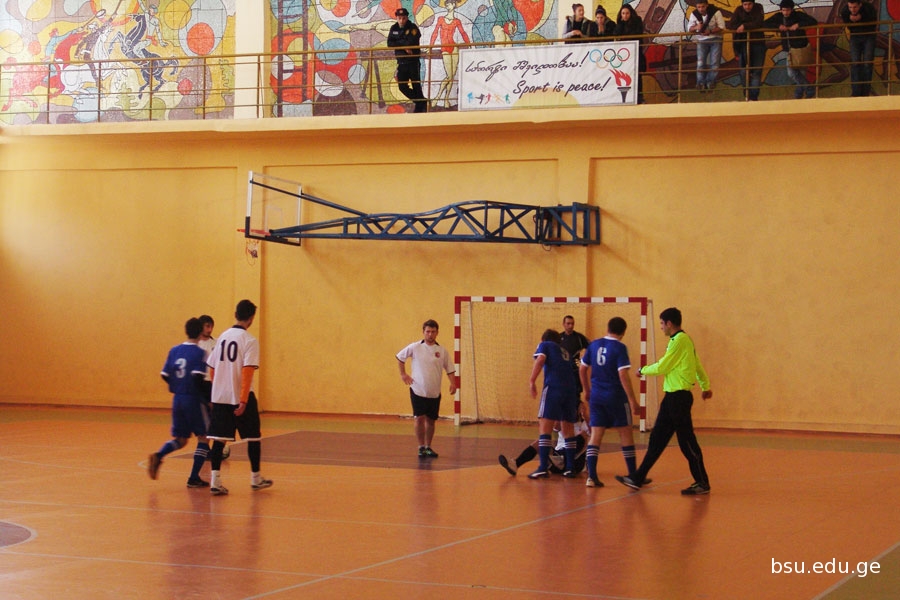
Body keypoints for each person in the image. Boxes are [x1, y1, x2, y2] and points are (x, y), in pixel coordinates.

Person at [615, 308, 713, 496]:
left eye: (661, 323)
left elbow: (663, 366)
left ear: (669, 323)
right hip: (671, 398)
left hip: (679, 398)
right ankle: (637, 477)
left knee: (687, 441)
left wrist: (642, 370)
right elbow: (697, 365)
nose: (661, 327)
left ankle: (702, 482)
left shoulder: (680, 340)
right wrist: (705, 386)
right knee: (657, 438)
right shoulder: (681, 341)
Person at [206, 299, 273, 496]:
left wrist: (217, 389)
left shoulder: (222, 337)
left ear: (236, 314)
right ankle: (255, 478)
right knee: (253, 437)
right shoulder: (249, 341)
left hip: (220, 396)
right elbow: (247, 371)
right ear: (251, 318)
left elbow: (212, 368)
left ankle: (215, 481)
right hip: (240, 396)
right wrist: (243, 400)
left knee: (219, 439)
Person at [148, 318, 211, 488]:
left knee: (181, 439)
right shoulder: (200, 353)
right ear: (201, 332)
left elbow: (165, 375)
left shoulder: (174, 350)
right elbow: (197, 378)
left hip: (178, 398)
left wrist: (177, 386)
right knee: (204, 437)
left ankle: (159, 455)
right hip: (193, 398)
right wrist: (207, 400)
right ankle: (194, 477)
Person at [579, 317, 641, 488]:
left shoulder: (594, 345)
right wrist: (633, 401)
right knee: (625, 434)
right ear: (623, 332)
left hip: (597, 397)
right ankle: (633, 476)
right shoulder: (620, 348)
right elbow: (623, 375)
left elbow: (582, 369)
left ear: (608, 328)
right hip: (616, 397)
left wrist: (587, 390)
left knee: (595, 435)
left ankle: (591, 477)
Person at [397, 319, 458, 457]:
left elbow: (449, 368)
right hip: (417, 390)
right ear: (423, 332)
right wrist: (403, 374)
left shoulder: (442, 351)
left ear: (437, 333)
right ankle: (420, 447)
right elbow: (400, 358)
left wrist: (453, 383)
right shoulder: (415, 347)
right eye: (428, 331)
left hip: (434, 392)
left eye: (433, 332)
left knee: (431, 420)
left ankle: (428, 446)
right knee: (419, 418)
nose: (430, 334)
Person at [527, 329, 580, 479]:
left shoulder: (545, 345)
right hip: (570, 391)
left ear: (544, 339)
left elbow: (540, 359)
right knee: (568, 430)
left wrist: (532, 381)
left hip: (553, 388)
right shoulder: (566, 352)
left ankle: (543, 467)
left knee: (545, 428)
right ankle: (570, 468)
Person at [764, 0, 818, 99]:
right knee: (793, 73)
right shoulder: (779, 17)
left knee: (799, 73)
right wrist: (778, 26)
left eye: (787, 10)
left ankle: (800, 95)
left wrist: (798, 25)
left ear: (792, 9)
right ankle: (808, 89)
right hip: (789, 48)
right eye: (783, 10)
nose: (785, 13)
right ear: (781, 10)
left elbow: (813, 21)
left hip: (800, 47)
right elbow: (765, 23)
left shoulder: (798, 15)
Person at [498, 418, 590, 475]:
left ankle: (562, 462)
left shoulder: (584, 425)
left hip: (574, 461)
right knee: (540, 443)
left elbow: (584, 447)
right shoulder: (564, 420)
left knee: (582, 436)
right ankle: (516, 464)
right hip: (558, 454)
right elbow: (556, 427)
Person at [198, 314, 230, 461]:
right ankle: (205, 448)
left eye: (211, 326)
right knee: (204, 420)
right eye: (207, 326)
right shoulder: (196, 345)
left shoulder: (217, 343)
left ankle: (219, 448)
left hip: (214, 384)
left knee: (217, 418)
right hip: (201, 385)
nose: (210, 329)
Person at [429, 0, 471, 109]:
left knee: (451, 76)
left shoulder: (457, 21)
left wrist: (469, 44)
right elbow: (435, 33)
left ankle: (446, 99)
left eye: (450, 4)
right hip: (445, 49)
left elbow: (463, 33)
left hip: (454, 48)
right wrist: (431, 46)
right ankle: (438, 97)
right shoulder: (441, 19)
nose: (448, 6)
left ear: (454, 5)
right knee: (449, 76)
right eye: (447, 4)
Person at [387, 7, 428, 113]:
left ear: (407, 18)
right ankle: (421, 101)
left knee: (416, 85)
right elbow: (390, 43)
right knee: (402, 86)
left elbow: (411, 42)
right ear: (396, 18)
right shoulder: (394, 28)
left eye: (403, 18)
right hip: (401, 62)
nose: (401, 21)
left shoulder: (412, 27)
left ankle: (420, 107)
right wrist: (404, 46)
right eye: (399, 18)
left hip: (413, 62)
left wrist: (399, 42)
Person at [728, 0, 766, 101]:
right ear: (742, 4)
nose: (747, 7)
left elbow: (759, 22)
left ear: (753, 3)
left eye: (749, 4)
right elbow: (731, 25)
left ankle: (753, 97)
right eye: (745, 4)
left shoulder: (758, 8)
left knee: (756, 71)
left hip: (758, 44)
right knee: (743, 71)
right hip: (742, 45)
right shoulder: (738, 10)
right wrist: (746, 25)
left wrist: (744, 26)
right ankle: (747, 94)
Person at [840, 0, 878, 97]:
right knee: (855, 63)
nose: (852, 10)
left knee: (867, 64)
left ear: (860, 5)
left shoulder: (868, 8)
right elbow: (846, 23)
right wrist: (850, 20)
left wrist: (862, 18)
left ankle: (865, 92)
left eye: (855, 7)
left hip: (869, 35)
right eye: (850, 7)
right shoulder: (845, 10)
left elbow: (874, 22)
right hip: (855, 36)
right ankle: (856, 92)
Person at [688, 0, 725, 91]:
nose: (701, 9)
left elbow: (721, 27)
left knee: (715, 63)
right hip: (701, 40)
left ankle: (710, 81)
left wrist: (710, 31)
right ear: (696, 7)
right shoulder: (694, 14)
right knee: (700, 63)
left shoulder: (716, 12)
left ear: (707, 6)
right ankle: (700, 82)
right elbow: (690, 28)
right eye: (699, 7)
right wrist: (697, 27)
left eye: (703, 7)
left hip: (716, 39)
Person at [614, 3, 646, 103]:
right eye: (623, 13)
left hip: (635, 54)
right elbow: (616, 34)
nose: (625, 15)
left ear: (631, 13)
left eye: (627, 13)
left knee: (637, 75)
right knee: (625, 75)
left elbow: (637, 35)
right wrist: (621, 24)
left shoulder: (637, 21)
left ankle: (639, 97)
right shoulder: (620, 23)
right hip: (624, 56)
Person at [559, 315, 590, 395]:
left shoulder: (579, 337)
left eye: (572, 324)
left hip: (575, 367)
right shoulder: (558, 337)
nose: (570, 326)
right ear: (563, 324)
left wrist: (584, 359)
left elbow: (591, 347)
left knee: (575, 393)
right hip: (562, 369)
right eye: (568, 323)